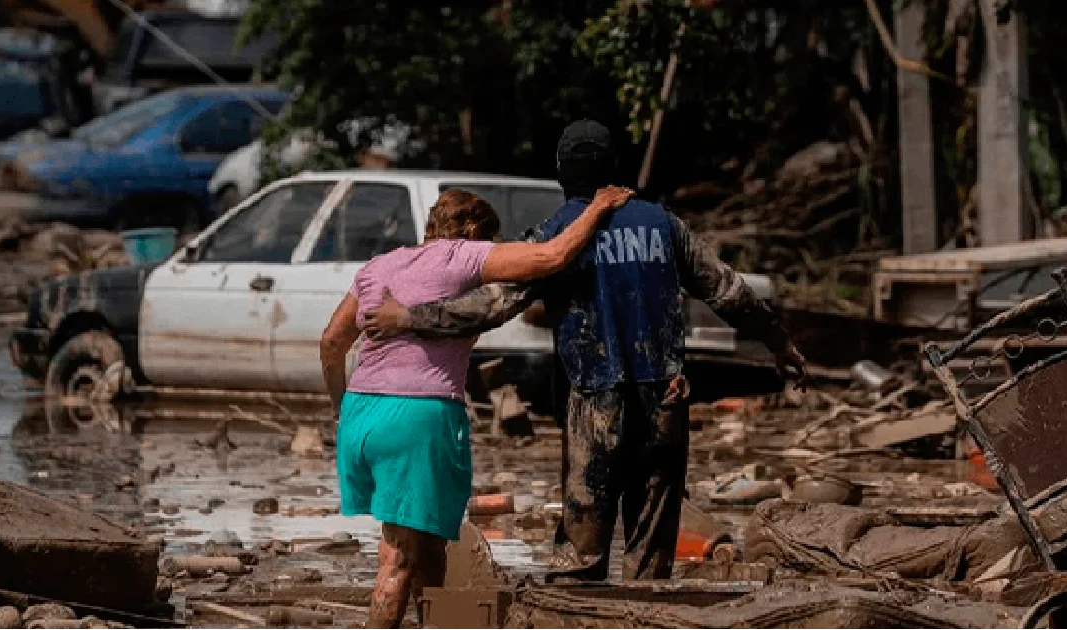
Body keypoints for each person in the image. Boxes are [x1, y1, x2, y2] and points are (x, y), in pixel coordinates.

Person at [361, 120, 807, 583]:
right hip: (665, 396)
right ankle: (647, 609)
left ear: (561, 173)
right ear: (614, 167)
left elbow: (491, 306)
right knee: (650, 545)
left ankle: (575, 611)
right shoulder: (663, 224)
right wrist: (779, 342)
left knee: (580, 551)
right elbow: (729, 291)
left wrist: (410, 317)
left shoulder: (558, 235)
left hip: (594, 398)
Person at [319, 185, 632, 630]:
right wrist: (598, 207)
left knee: (429, 543)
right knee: (398, 557)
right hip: (417, 416)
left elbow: (331, 343)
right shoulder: (462, 256)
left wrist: (340, 408)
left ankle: (434, 623)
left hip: (361, 415)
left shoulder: (379, 265)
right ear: (470, 230)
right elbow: (552, 256)